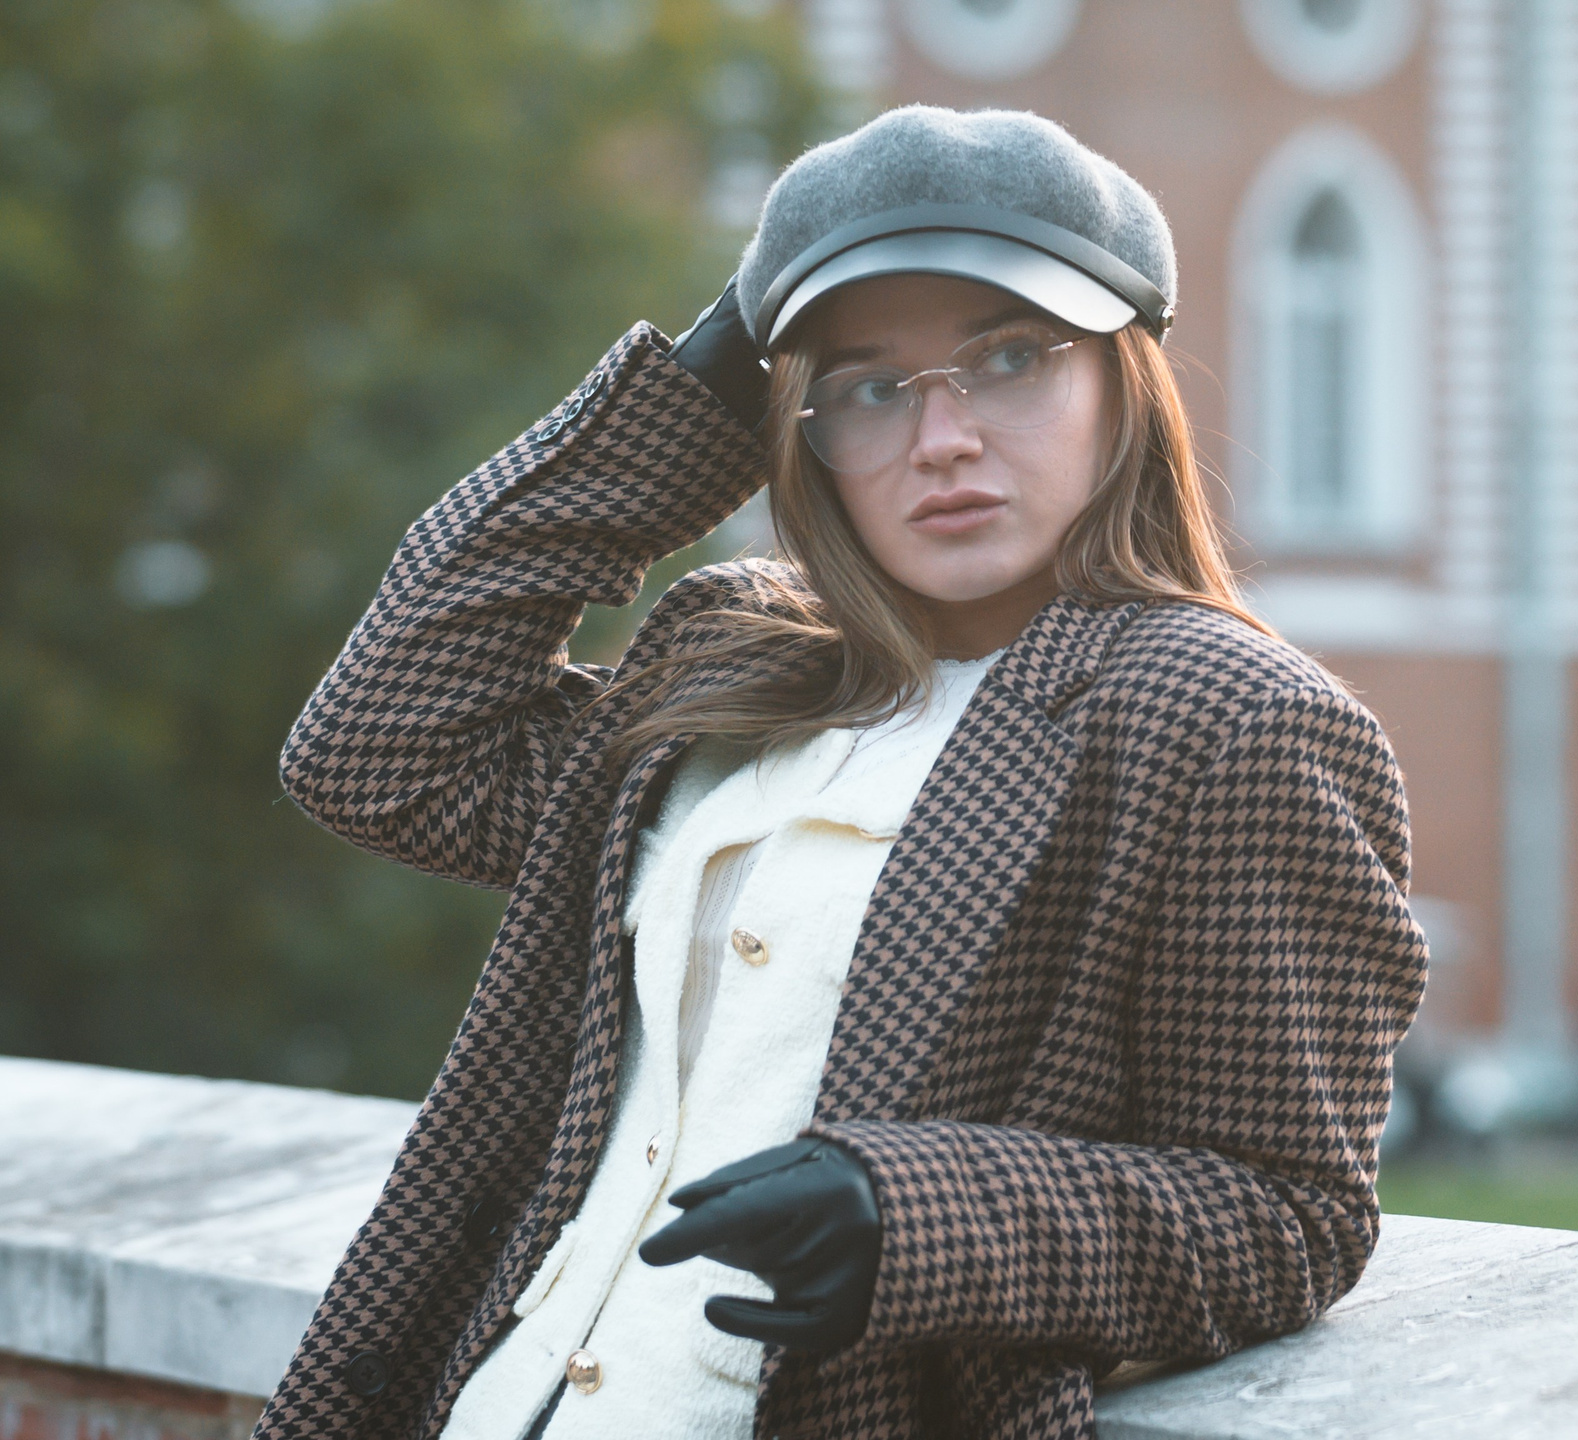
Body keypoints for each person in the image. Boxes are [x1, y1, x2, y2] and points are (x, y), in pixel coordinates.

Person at [252, 106, 1427, 1440]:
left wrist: (915, 1215)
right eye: (869, 388)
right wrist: (695, 399)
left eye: (1010, 359)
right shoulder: (733, 660)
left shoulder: (1225, 721)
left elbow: (1287, 1211)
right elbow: (377, 751)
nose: (943, 439)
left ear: (1122, 380)